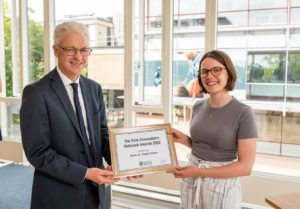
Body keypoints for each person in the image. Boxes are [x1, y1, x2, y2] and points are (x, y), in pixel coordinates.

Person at [20, 22, 119, 209]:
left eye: (84, 50)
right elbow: (38, 153)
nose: (78, 57)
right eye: (70, 50)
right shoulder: (36, 93)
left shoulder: (94, 89)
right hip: (58, 196)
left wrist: (122, 163)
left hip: (97, 192)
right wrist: (85, 173)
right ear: (56, 50)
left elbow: (102, 135)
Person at [168, 50, 257, 209]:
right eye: (204, 72)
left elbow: (245, 167)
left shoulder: (243, 113)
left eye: (216, 70)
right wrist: (184, 139)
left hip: (221, 187)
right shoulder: (198, 107)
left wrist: (198, 172)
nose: (209, 76)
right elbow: (208, 147)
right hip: (192, 181)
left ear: (228, 73)